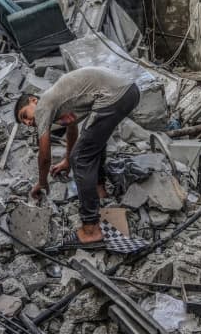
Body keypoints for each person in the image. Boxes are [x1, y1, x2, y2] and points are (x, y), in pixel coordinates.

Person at [15, 67, 140, 247]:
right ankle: (99, 191)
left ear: (33, 100)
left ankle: (90, 229)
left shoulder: (43, 106)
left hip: (113, 95)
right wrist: (67, 160)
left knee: (81, 159)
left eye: (25, 115)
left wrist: (42, 181)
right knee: (92, 143)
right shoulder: (60, 104)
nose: (28, 122)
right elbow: (72, 129)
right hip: (128, 91)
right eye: (24, 123)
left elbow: (44, 155)